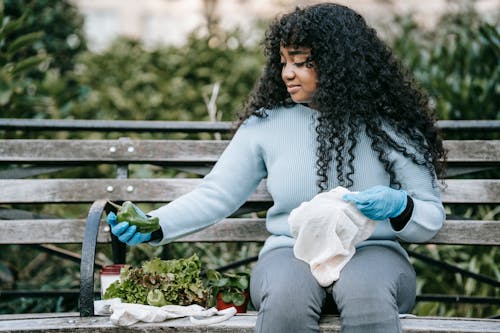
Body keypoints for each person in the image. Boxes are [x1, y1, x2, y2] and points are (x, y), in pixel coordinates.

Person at [107, 2, 447, 333]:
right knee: (286, 300)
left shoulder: (391, 127)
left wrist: (400, 207)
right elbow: (216, 194)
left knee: (367, 296)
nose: (287, 73)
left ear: (340, 65)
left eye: (301, 63)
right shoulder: (265, 125)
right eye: (284, 62)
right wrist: (156, 223)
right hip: (290, 251)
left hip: (375, 252)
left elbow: (429, 217)